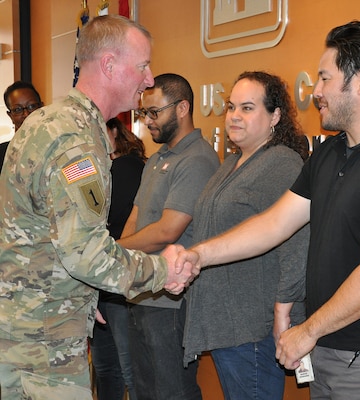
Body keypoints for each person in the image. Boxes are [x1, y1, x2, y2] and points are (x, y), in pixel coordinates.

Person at [174, 20, 360, 400]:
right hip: (326, 353)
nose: (316, 92)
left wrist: (307, 330)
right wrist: (198, 254)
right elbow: (274, 224)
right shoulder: (328, 152)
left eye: (325, 79)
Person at [0, 15, 195, 400]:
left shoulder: (48, 122)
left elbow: (43, 232)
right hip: (45, 346)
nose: (150, 79)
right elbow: (85, 253)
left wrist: (87, 297)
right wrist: (162, 271)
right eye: (142, 66)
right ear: (108, 65)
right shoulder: (75, 139)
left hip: (27, 331)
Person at [182, 71, 310, 400]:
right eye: (231, 106)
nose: (235, 116)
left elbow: (297, 248)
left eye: (248, 108)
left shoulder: (282, 163)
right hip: (226, 323)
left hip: (253, 326)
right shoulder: (234, 162)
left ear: (275, 116)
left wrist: (285, 314)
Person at [118, 73, 220, 400]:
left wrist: (112, 251)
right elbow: (136, 215)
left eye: (154, 112)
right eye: (143, 113)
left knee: (172, 390)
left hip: (171, 301)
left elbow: (167, 230)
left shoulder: (198, 158)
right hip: (142, 292)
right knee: (144, 389)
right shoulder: (157, 158)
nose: (147, 121)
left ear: (182, 108)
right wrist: (120, 258)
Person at [90, 117, 146, 400]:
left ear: (114, 131)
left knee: (126, 369)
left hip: (119, 281)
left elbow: (104, 220)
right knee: (106, 368)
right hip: (103, 285)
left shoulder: (126, 166)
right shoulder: (101, 168)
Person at [1, 81, 43, 171]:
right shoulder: (2, 154)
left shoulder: (58, 145)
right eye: (18, 109)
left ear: (42, 108)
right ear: (10, 116)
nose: (26, 114)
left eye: (32, 106)